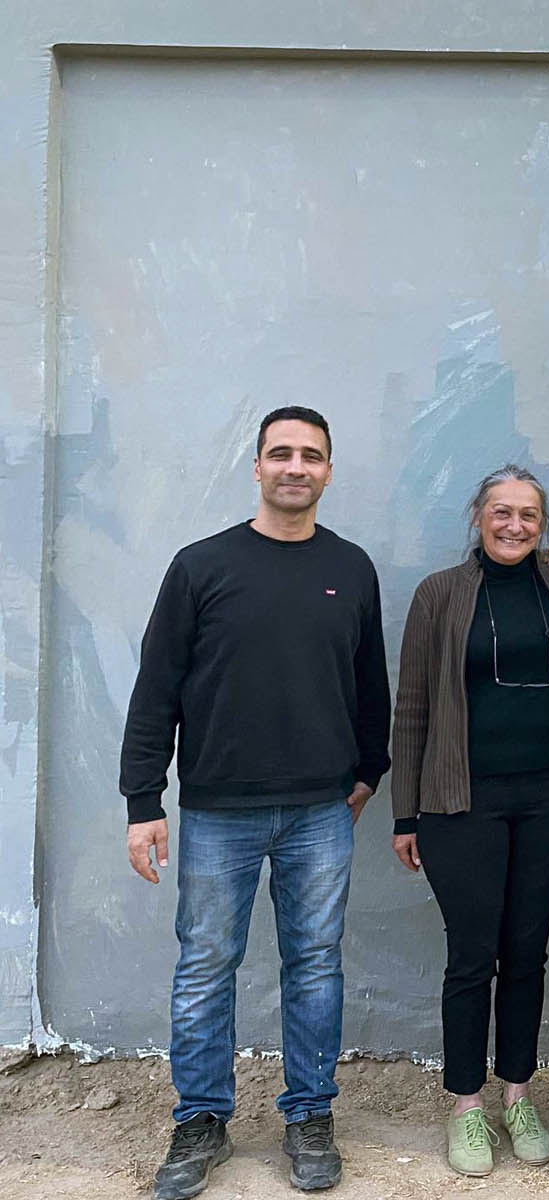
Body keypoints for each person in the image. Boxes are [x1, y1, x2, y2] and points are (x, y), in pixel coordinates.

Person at [121, 406, 390, 1199]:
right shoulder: (201, 565)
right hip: (216, 811)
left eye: (311, 456)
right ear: (258, 467)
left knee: (314, 966)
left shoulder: (353, 567)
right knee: (206, 967)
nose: (295, 467)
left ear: (329, 471)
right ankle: (201, 1121)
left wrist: (369, 770)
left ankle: (310, 1116)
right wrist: (144, 799)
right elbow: (155, 690)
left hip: (320, 811)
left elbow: (368, 681)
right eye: (281, 454)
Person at [389, 465, 549, 1177]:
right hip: (461, 804)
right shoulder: (441, 594)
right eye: (501, 512)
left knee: (528, 954)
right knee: (470, 958)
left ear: (542, 524)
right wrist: (406, 813)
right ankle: (466, 1106)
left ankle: (518, 1096)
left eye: (528, 514)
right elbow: (413, 707)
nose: (514, 525)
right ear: (478, 517)